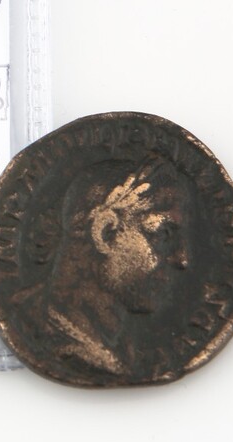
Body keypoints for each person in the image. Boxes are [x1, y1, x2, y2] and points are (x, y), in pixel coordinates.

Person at [33, 158, 191, 376]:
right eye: (163, 235)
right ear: (105, 234)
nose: (182, 259)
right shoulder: (38, 329)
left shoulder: (120, 344)